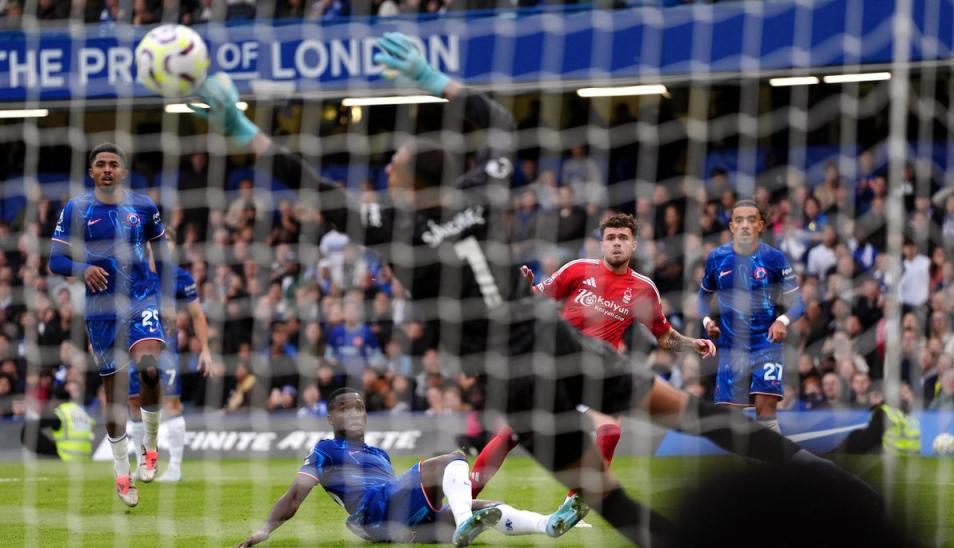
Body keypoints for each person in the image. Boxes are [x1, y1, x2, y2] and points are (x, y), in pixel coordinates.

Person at [193, 34, 865, 544]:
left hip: (513, 381)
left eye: (394, 162)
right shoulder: (480, 199)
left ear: (405, 184)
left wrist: (247, 132)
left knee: (605, 498)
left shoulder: (393, 232)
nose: (389, 164)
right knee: (697, 417)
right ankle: (829, 479)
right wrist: (435, 80)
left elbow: (315, 188)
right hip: (559, 346)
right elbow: (504, 125)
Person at [470, 212, 715, 506]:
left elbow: (663, 335)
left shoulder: (643, 289)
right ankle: (463, 500)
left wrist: (692, 345)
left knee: (610, 431)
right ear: (601, 244)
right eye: (610, 238)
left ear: (634, 245)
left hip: (597, 372)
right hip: (555, 362)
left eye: (622, 238)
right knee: (511, 434)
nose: (616, 243)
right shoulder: (577, 269)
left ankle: (573, 507)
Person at [236, 387, 589, 546]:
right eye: (346, 408)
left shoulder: (379, 453)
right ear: (330, 417)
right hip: (372, 513)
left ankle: (549, 525)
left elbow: (405, 491)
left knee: (488, 509)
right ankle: (464, 521)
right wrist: (266, 529)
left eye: (359, 407)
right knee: (454, 458)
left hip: (394, 521)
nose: (356, 413)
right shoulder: (325, 449)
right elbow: (295, 494)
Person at [49, 143, 172, 507]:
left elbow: (162, 256)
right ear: (91, 172)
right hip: (101, 310)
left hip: (142, 298)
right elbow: (56, 259)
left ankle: (150, 447)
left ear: (123, 172)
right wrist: (81, 269)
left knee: (149, 370)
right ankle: (122, 474)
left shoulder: (144, 206)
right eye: (100, 164)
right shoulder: (77, 208)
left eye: (112, 164)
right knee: (115, 397)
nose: (106, 169)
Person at [698, 199, 805, 434]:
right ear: (731, 227)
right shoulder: (717, 258)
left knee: (765, 410)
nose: (745, 224)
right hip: (730, 346)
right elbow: (702, 298)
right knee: (729, 419)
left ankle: (774, 465)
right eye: (739, 220)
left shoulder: (775, 258)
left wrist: (781, 321)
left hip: (766, 345)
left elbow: (799, 303)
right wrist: (707, 322)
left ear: (761, 225)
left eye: (751, 219)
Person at [128, 226, 213, 482]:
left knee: (172, 404)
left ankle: (175, 467)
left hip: (168, 350)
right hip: (136, 348)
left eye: (170, 243)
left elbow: (198, 314)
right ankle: (143, 462)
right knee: (134, 404)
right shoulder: (135, 274)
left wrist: (205, 349)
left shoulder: (180, 277)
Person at [21, 380, 94, 461]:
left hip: (67, 456)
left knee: (27, 431)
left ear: (55, 399)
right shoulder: (82, 412)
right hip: (85, 456)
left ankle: (46, 459)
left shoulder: (61, 413)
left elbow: (30, 426)